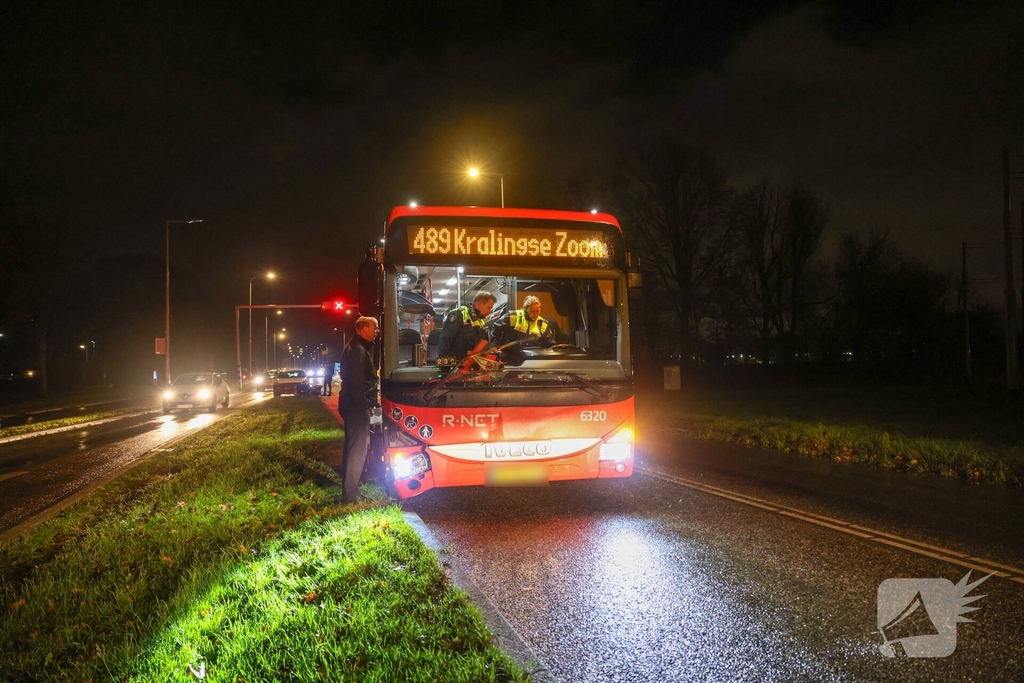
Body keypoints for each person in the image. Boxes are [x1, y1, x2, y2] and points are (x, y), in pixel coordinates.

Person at [337, 316, 378, 503]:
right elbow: (356, 383)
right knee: (357, 449)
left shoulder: (357, 348)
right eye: (374, 328)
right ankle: (351, 494)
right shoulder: (356, 350)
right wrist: (364, 407)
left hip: (353, 405)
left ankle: (349, 486)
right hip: (356, 406)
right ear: (362, 329)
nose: (376, 331)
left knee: (353, 447)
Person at [435, 290, 496, 360]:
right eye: (489, 308)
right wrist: (444, 363)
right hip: (457, 363)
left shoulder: (480, 321)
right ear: (480, 304)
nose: (490, 311)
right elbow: (445, 339)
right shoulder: (459, 314)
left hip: (473, 363)